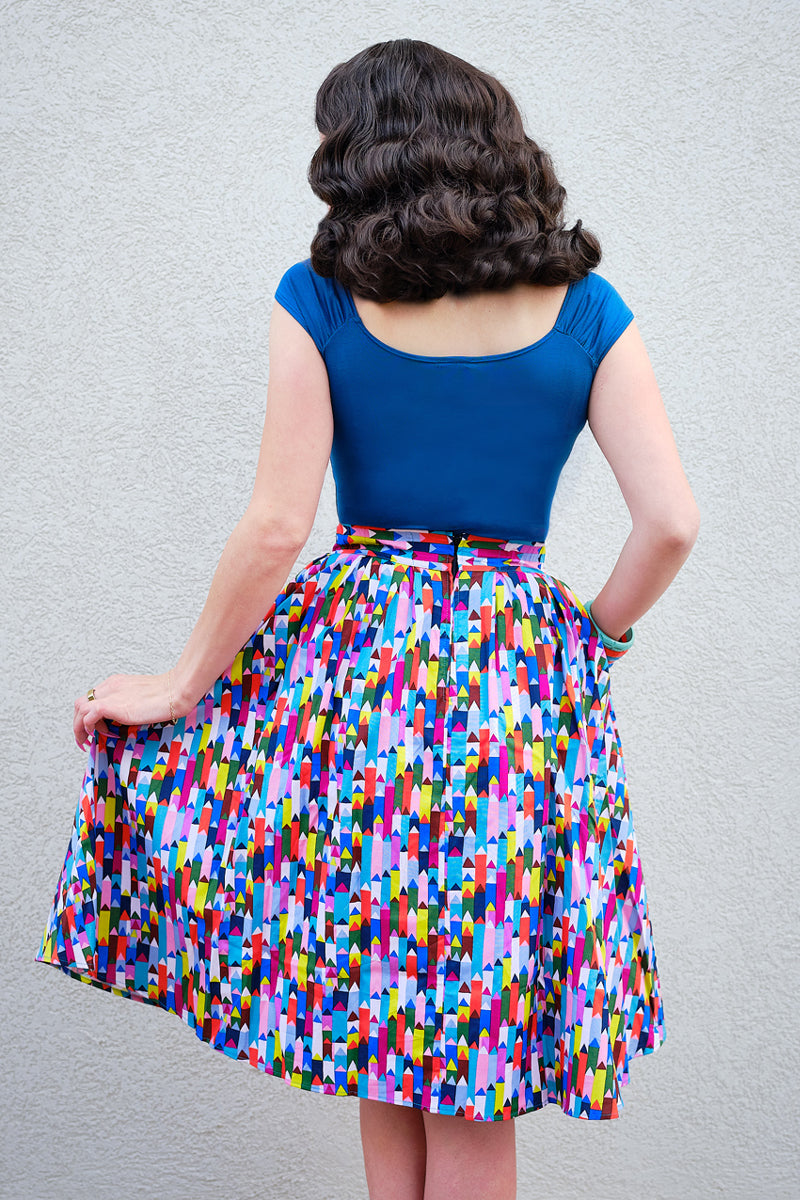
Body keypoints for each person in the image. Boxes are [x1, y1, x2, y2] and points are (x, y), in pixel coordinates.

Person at [37, 38, 699, 1200]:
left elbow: (274, 529)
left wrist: (182, 687)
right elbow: (670, 525)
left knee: (387, 1034)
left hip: (361, 683)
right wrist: (591, 638)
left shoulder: (322, 296)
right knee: (468, 1060)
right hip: (515, 693)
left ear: (363, 152)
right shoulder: (588, 308)